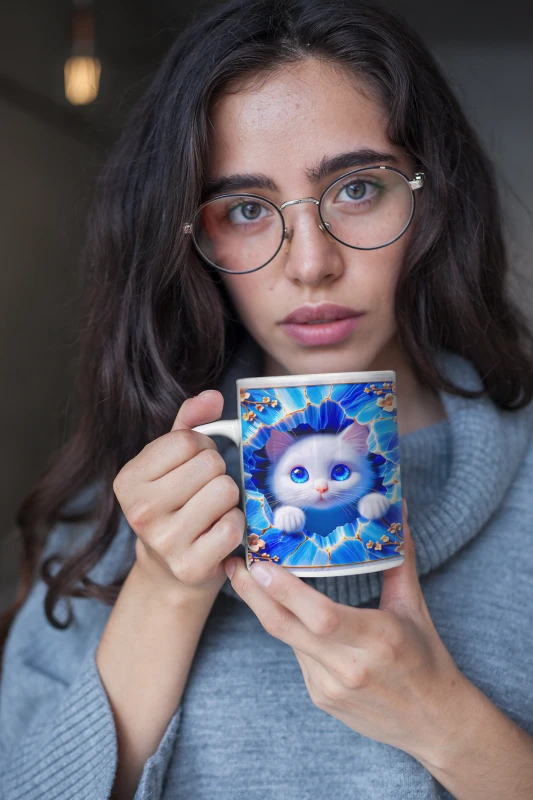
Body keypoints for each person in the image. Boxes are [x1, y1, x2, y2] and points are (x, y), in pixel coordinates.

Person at [1, 0, 533, 798]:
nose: (309, 263)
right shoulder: (117, 504)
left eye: (357, 189)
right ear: (193, 239)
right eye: (246, 211)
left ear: (431, 198)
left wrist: (444, 722)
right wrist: (163, 591)